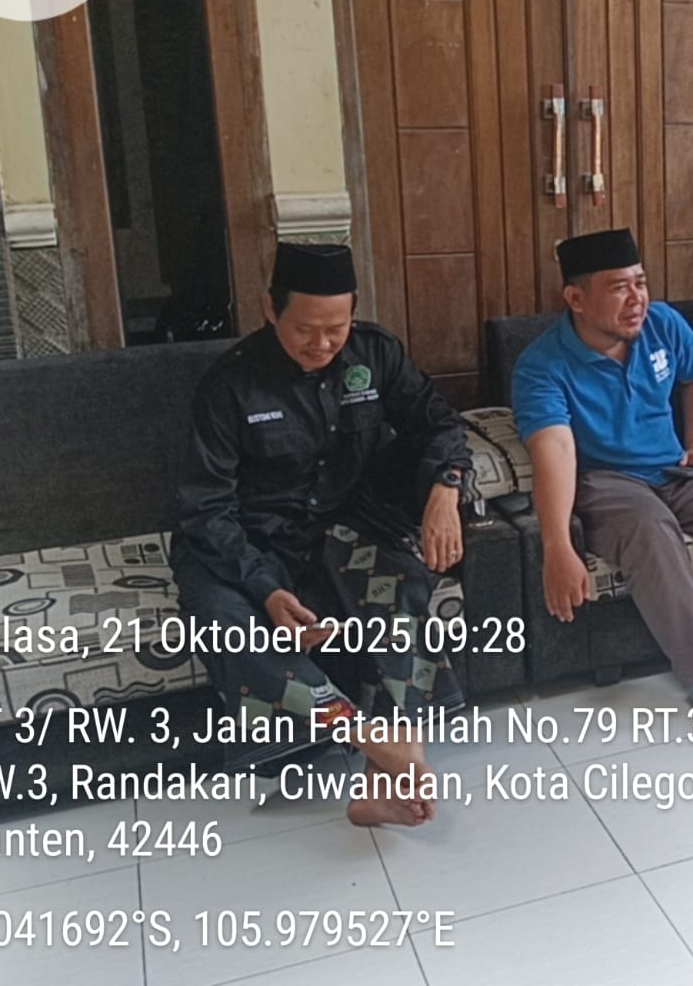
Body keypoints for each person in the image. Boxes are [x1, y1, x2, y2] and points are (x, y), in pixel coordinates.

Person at [173, 242, 475, 827]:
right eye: (305, 329)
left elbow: (438, 423)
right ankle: (368, 736)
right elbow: (205, 510)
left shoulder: (375, 354)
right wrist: (266, 589)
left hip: (336, 525)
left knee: (400, 579)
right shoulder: (230, 385)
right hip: (239, 542)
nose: (322, 344)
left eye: (336, 329)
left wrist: (447, 486)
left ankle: (379, 785)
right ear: (271, 310)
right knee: (232, 628)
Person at [511, 228, 693, 741]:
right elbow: (555, 450)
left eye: (641, 282)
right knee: (651, 526)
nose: (637, 299)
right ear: (576, 299)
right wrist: (558, 546)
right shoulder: (541, 366)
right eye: (618, 287)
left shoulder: (662, 324)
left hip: (672, 470)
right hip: (605, 482)